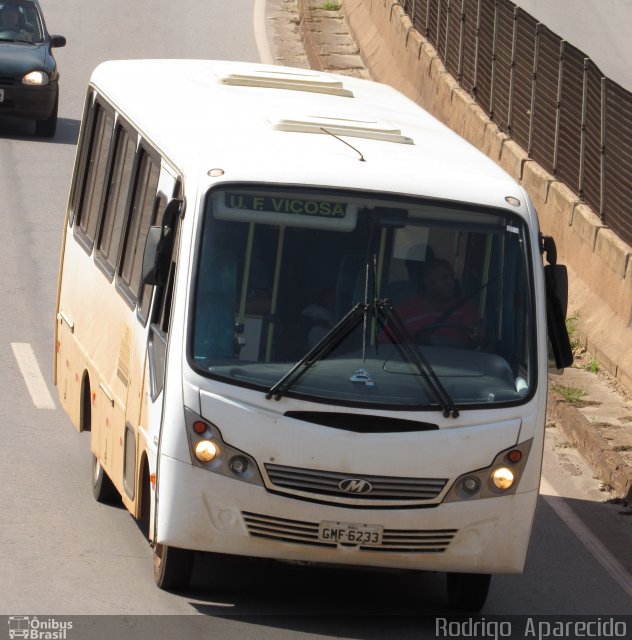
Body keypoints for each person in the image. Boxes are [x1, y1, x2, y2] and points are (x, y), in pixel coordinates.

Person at [386, 258, 483, 348]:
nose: (451, 282)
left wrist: (477, 333)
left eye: (452, 277)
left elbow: (476, 333)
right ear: (427, 281)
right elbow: (385, 343)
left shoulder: (463, 308)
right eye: (444, 278)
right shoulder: (404, 310)